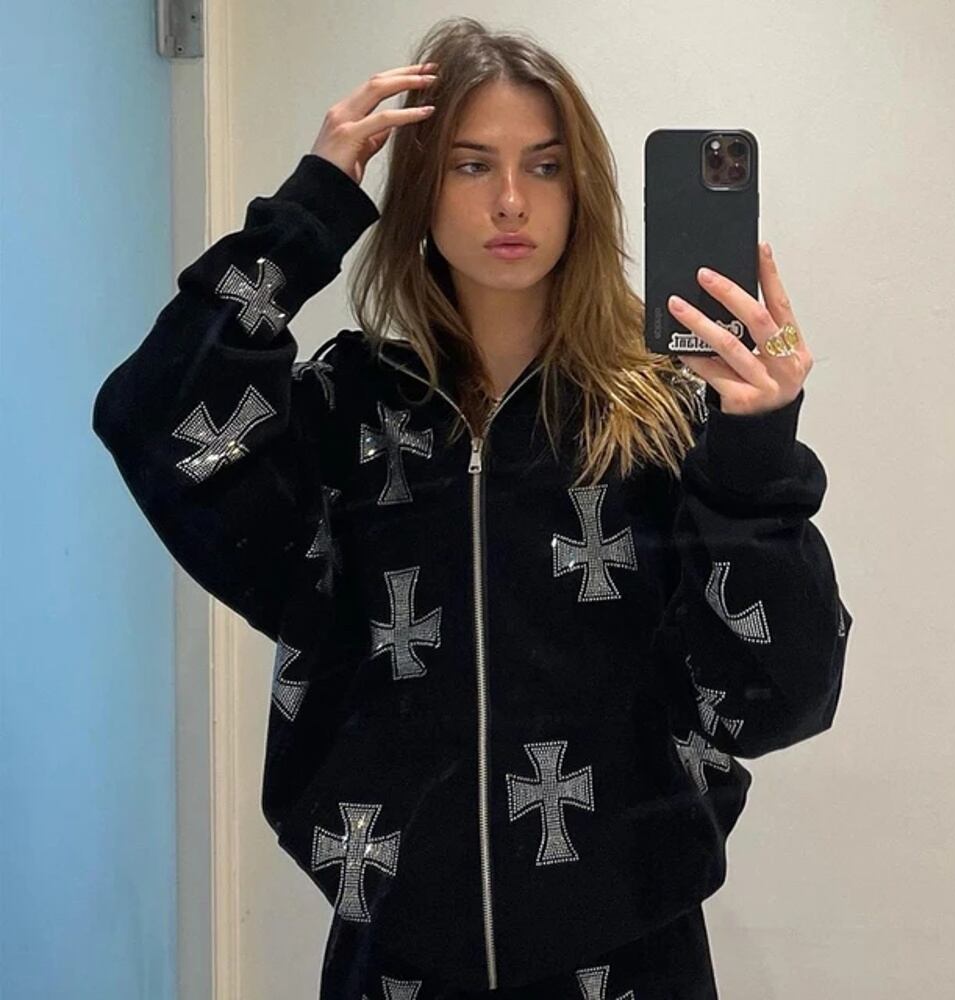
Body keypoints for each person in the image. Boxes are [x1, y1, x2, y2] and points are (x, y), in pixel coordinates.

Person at [92, 16, 852, 1000]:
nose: (510, 200)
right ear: (419, 188)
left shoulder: (663, 421)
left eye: (545, 166)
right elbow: (151, 417)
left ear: (581, 192)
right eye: (469, 164)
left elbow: (780, 698)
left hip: (628, 960)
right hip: (395, 960)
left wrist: (757, 451)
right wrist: (308, 210)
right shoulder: (348, 409)